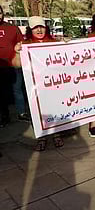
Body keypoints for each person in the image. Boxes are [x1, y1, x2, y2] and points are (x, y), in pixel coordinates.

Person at [15, 16, 64, 150]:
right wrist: (17, 52)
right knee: (37, 112)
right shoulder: (25, 45)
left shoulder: (53, 42)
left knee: (55, 109)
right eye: (36, 27)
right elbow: (16, 64)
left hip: (53, 84)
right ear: (30, 30)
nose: (39, 30)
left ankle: (56, 135)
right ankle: (41, 138)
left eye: (41, 27)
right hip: (35, 86)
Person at [0, 5, 28, 127]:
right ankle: (4, 115)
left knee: (17, 90)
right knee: (1, 93)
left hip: (14, 65)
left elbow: (22, 43)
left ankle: (22, 113)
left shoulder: (12, 28)